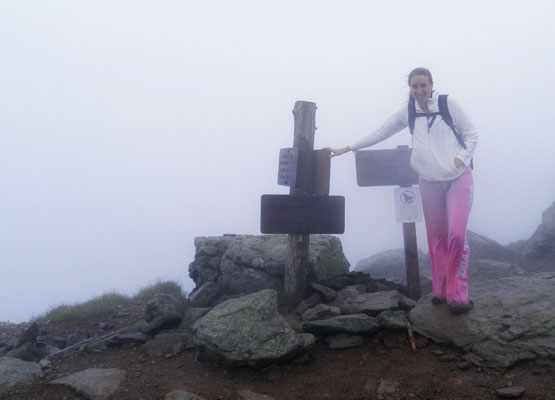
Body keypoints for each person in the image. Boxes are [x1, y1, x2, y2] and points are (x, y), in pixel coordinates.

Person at [325, 67, 477, 314]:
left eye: (423, 86)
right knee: (436, 239)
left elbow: (471, 135)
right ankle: (440, 290)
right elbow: (379, 132)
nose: (419, 91)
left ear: (431, 84)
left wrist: (460, 159)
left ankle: (458, 295)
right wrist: (346, 148)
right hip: (428, 181)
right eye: (415, 87)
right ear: (410, 88)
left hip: (458, 178)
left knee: (457, 236)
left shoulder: (448, 104)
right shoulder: (409, 112)